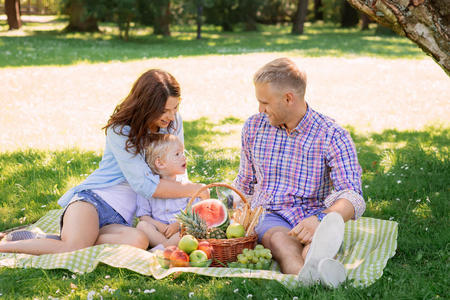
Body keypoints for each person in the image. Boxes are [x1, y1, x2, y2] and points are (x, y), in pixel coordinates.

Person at [0, 69, 209, 255]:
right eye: (165, 110)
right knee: (72, 248)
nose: (172, 116)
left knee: (139, 240)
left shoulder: (173, 122)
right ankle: (5, 246)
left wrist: (186, 205)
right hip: (94, 202)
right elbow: (144, 185)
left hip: (120, 220)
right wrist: (196, 189)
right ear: (147, 106)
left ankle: (52, 238)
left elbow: (175, 168)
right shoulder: (120, 130)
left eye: (175, 108)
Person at [233, 58, 366, 287]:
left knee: (315, 243)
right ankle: (308, 277)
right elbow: (245, 181)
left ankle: (315, 257)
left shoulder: (332, 135)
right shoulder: (254, 127)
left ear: (288, 99)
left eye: (265, 102)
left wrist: (321, 220)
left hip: (315, 213)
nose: (260, 109)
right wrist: (230, 211)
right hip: (271, 214)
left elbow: (352, 195)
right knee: (280, 241)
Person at [135, 134, 196, 249]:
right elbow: (144, 216)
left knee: (188, 232)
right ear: (160, 163)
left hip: (179, 231)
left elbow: (193, 213)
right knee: (142, 226)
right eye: (177, 154)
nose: (184, 157)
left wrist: (178, 225)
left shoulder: (187, 186)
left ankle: (160, 250)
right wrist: (161, 226)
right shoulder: (148, 187)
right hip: (158, 232)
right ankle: (168, 248)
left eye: (183, 153)